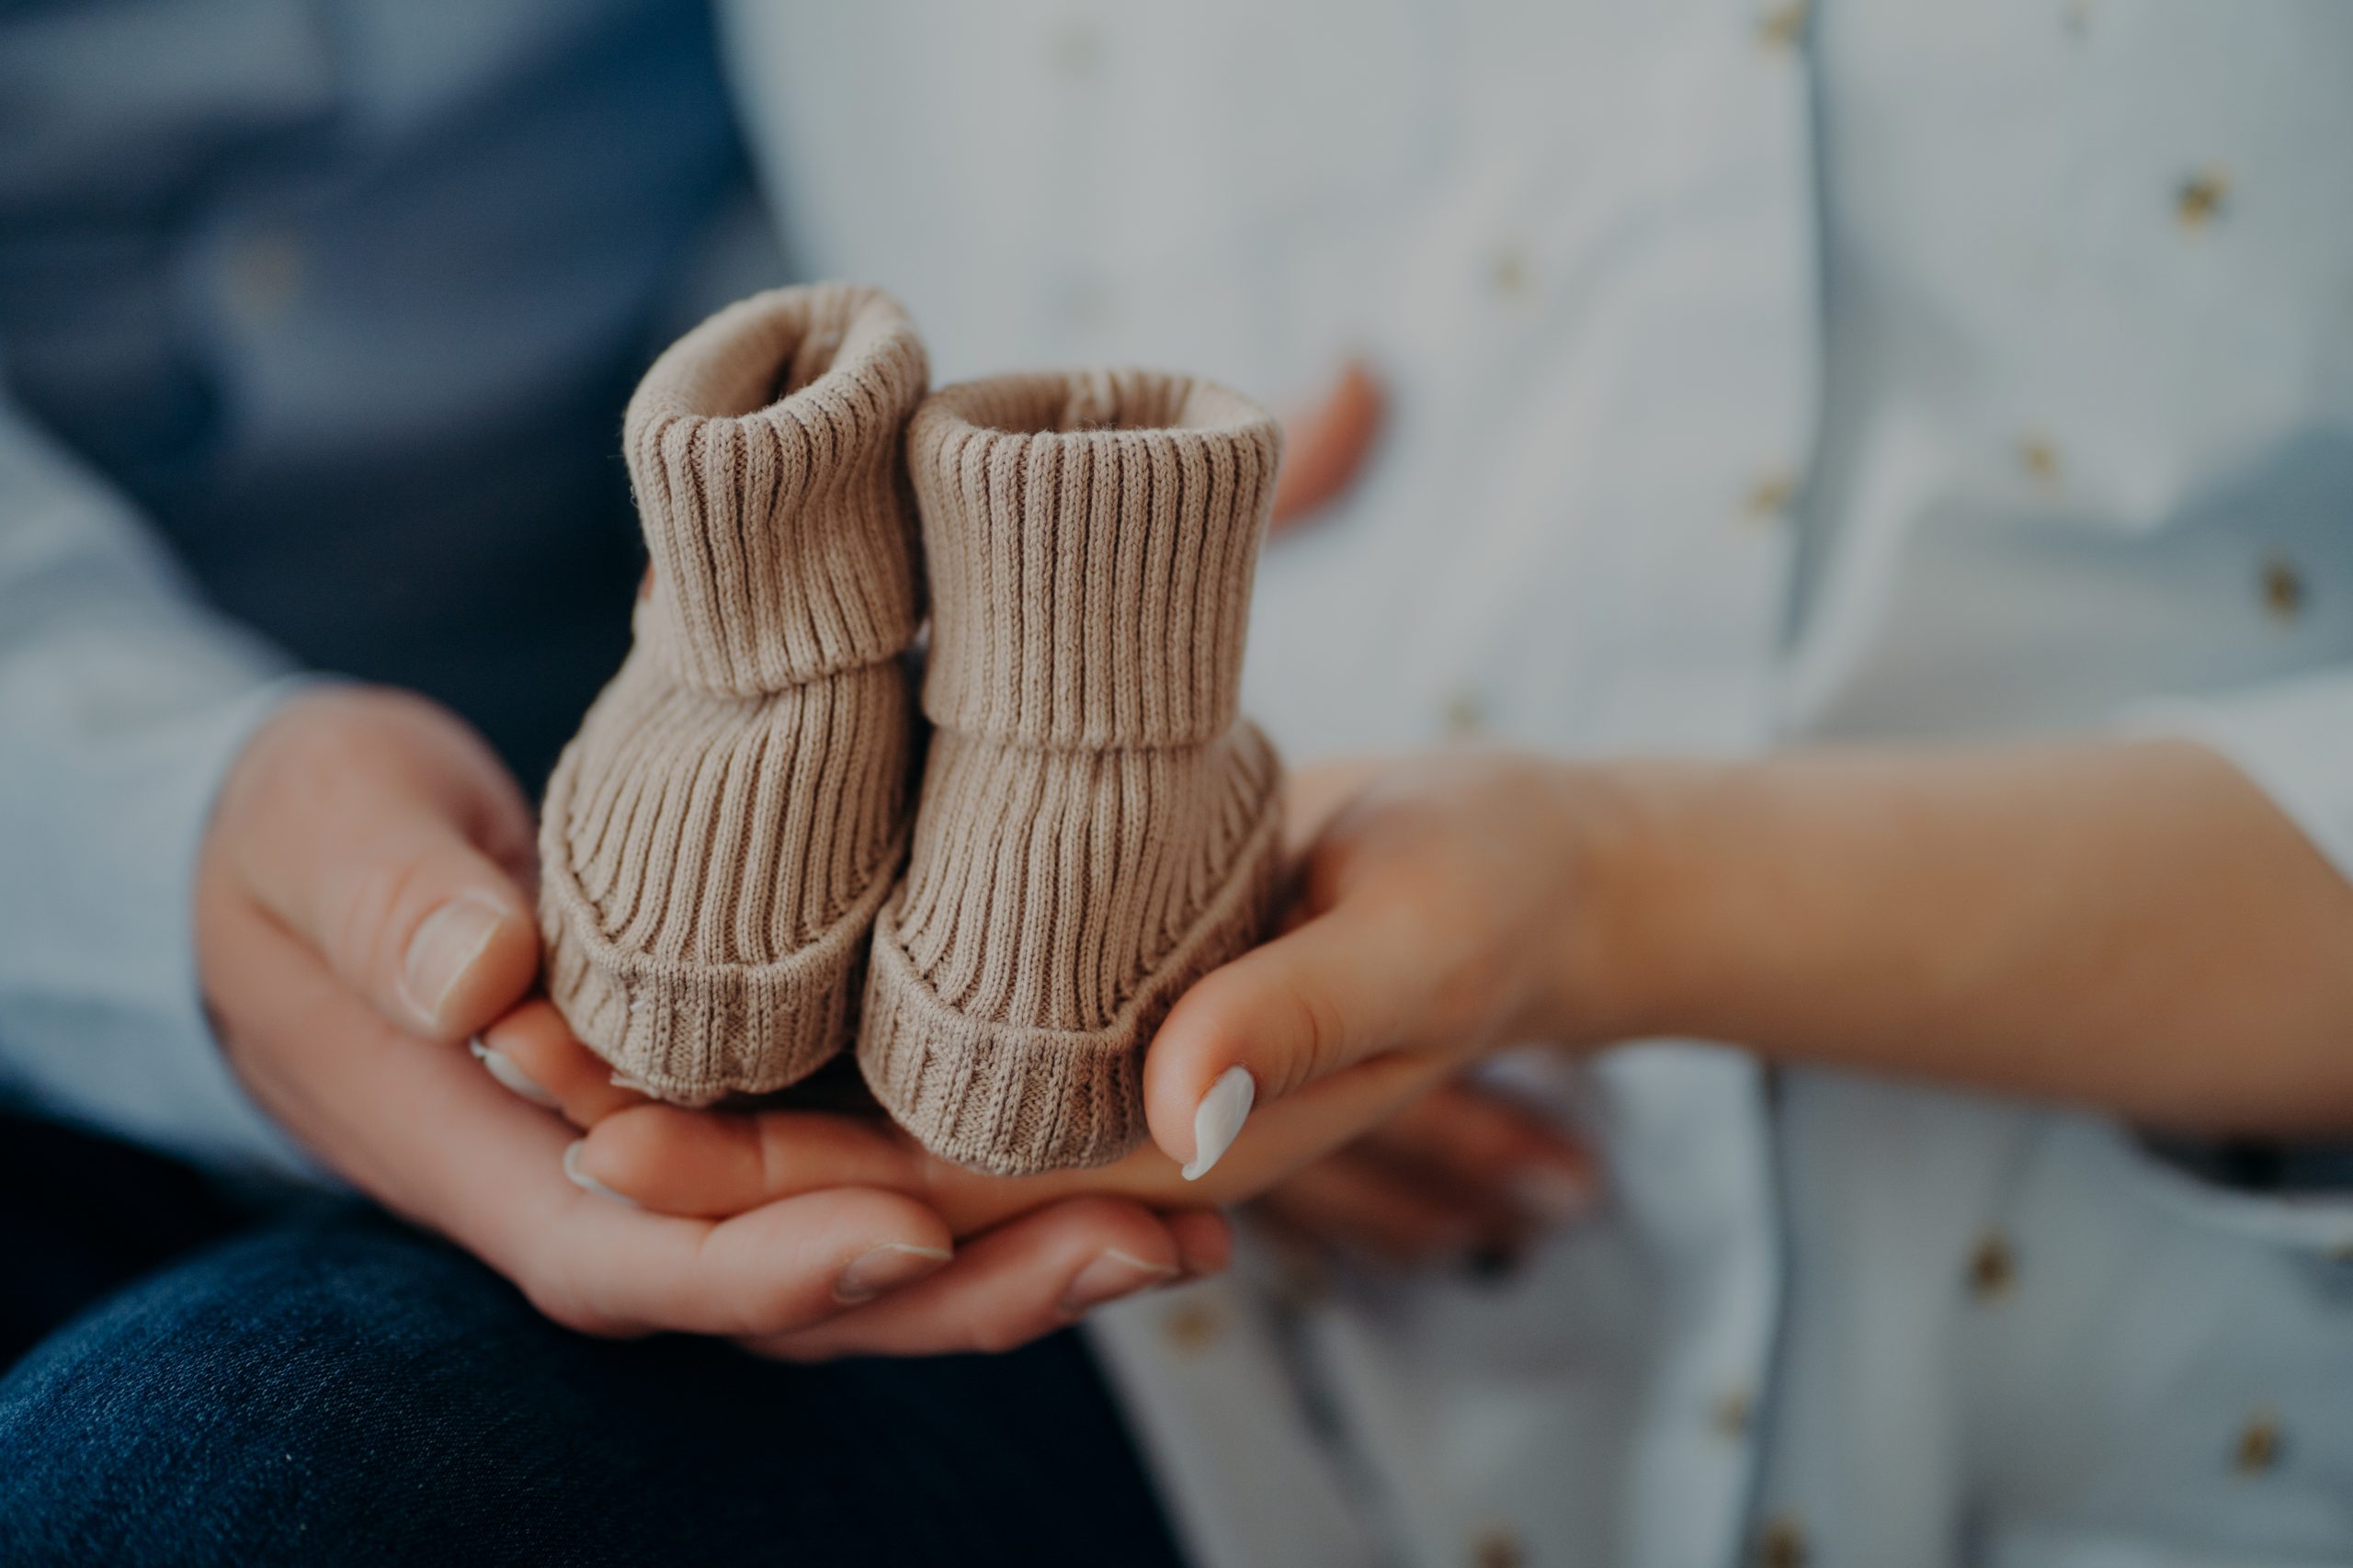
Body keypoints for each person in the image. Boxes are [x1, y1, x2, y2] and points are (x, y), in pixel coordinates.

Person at [6, 2, 2353, 1566]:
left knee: (233, 1475)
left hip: (2093, 1279)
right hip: (1192, 1335)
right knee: (206, 1492)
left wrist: (1612, 892)